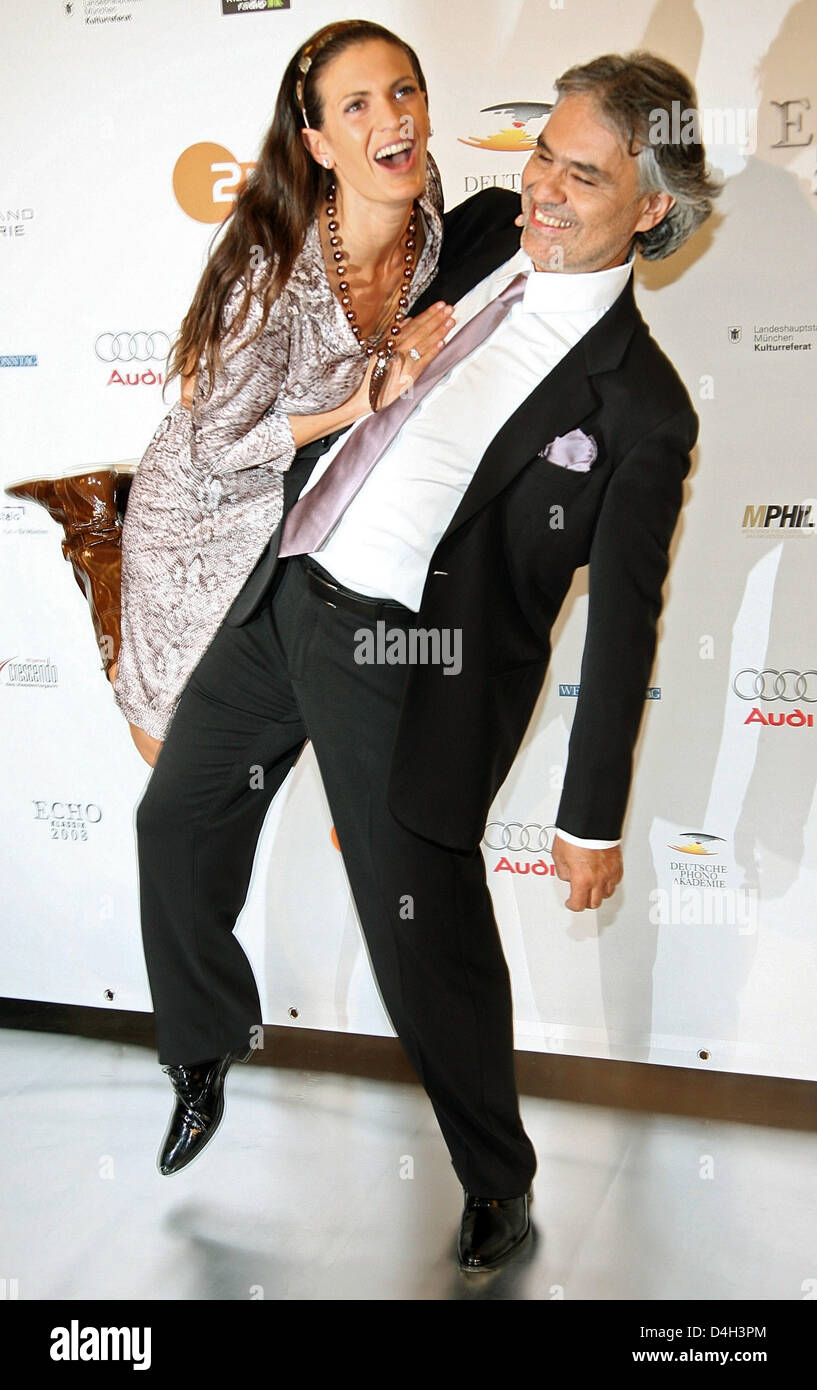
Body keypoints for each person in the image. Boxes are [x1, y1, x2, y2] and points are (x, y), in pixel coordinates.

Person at [134, 52, 719, 1273]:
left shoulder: (643, 407)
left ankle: (496, 1178)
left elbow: (626, 620)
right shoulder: (483, 222)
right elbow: (338, 240)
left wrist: (592, 815)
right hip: (286, 581)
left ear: (651, 206)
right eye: (543, 153)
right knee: (176, 820)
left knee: (422, 942)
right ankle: (202, 1045)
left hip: (399, 655)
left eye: (585, 176)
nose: (545, 190)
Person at [11, 21, 451, 765]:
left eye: (403, 90)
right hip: (203, 509)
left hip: (302, 495)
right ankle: (99, 544)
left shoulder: (422, 191)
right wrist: (362, 401)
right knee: (171, 753)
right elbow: (216, 450)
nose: (391, 118)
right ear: (318, 146)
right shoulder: (272, 278)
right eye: (357, 106)